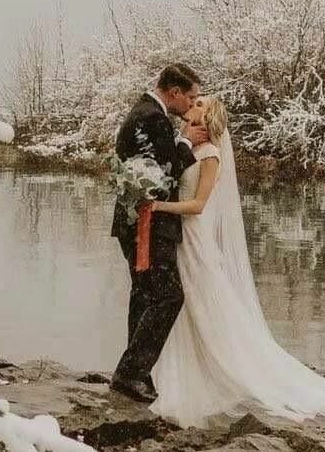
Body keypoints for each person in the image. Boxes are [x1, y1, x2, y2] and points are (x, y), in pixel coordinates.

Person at [148, 95, 325, 440]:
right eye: (193, 102)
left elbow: (197, 205)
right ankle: (180, 376)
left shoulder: (210, 155)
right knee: (183, 308)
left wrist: (159, 207)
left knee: (202, 305)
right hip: (181, 239)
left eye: (199, 104)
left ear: (206, 117)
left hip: (194, 238)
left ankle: (214, 375)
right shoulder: (187, 148)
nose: (192, 104)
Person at [109, 63, 208, 403]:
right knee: (168, 295)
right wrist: (184, 141)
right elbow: (165, 171)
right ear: (174, 92)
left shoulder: (145, 113)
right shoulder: (152, 117)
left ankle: (135, 373)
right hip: (147, 223)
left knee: (145, 294)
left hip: (136, 221)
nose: (192, 105)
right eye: (191, 97)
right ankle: (131, 372)